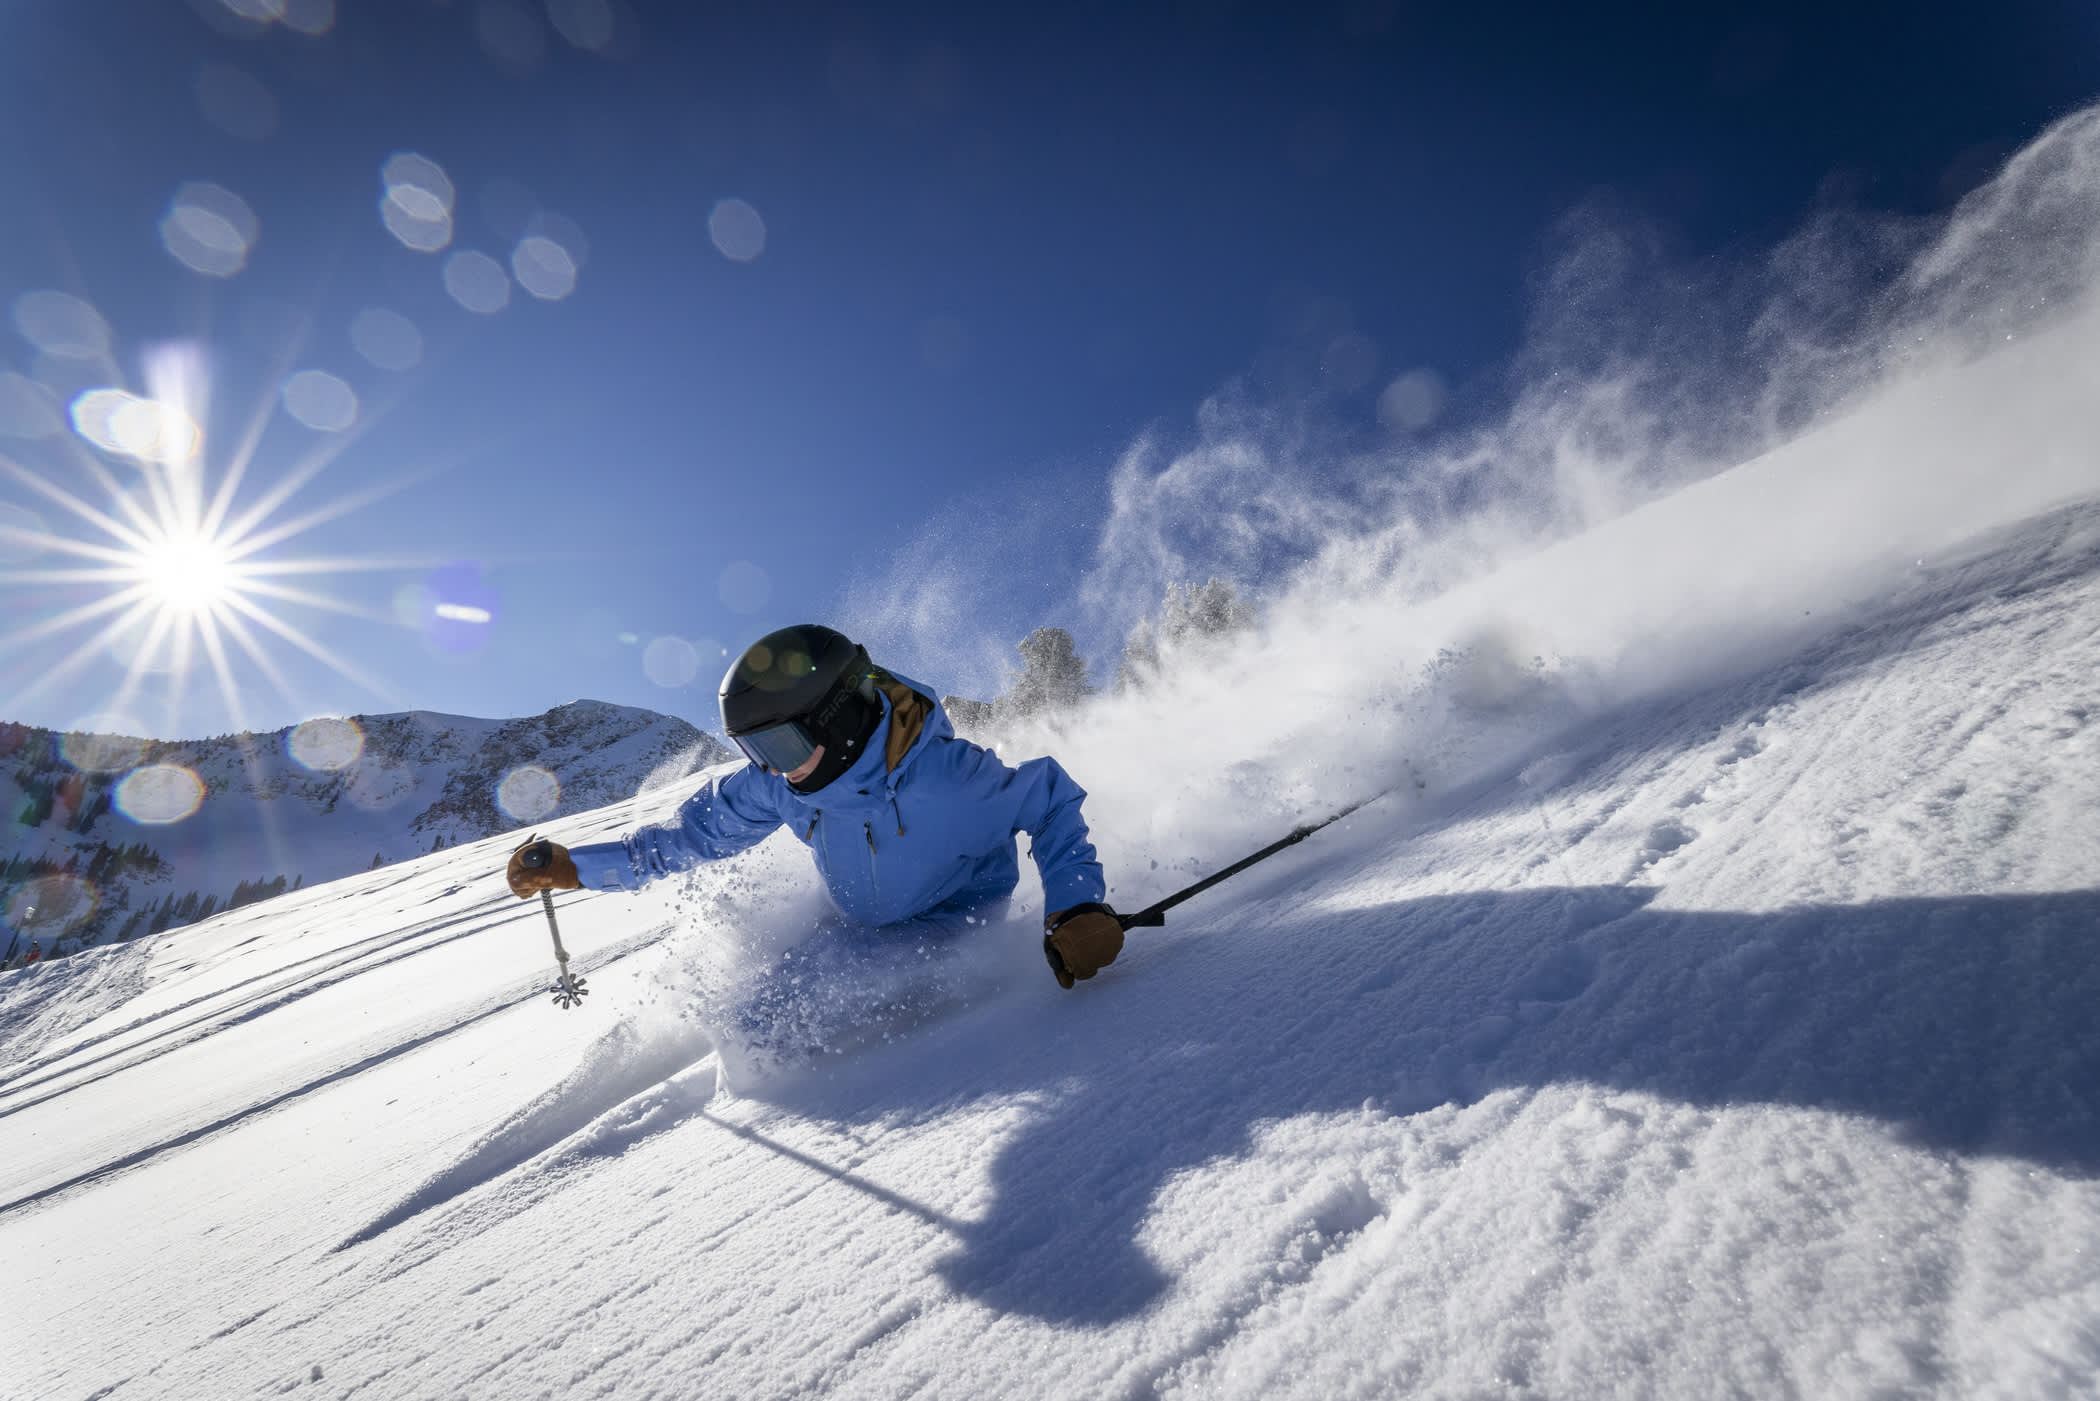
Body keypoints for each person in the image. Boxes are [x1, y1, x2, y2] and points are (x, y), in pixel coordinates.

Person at [506, 624, 1126, 989]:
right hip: (855, 922)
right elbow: (685, 839)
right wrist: (575, 868)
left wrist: (1075, 906)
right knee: (764, 1010)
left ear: (841, 719)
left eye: (780, 743)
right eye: (752, 749)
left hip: (947, 929)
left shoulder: (945, 779)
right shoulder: (778, 782)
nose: (770, 766)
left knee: (810, 1018)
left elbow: (1048, 800)